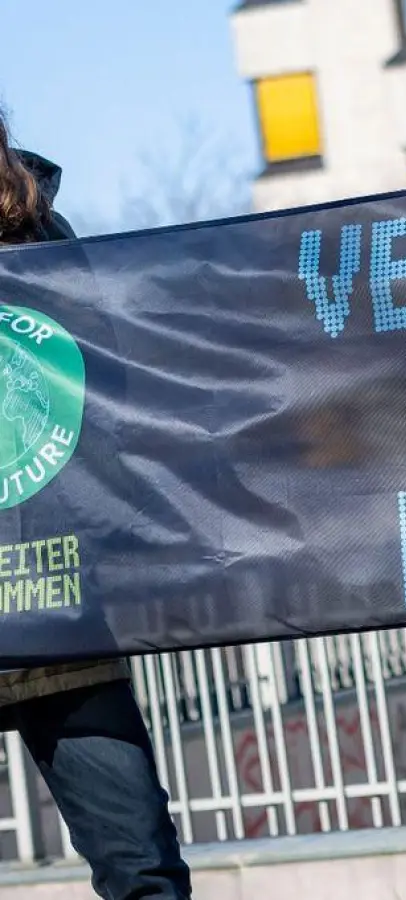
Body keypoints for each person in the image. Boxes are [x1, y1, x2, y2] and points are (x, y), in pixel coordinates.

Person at [0, 111, 192, 900]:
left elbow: (104, 401)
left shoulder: (43, 238)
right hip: (59, 608)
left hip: (55, 608)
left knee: (142, 867)